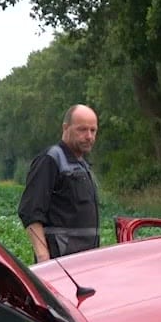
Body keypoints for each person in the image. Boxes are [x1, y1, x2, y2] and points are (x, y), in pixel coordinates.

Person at [19, 105, 101, 262]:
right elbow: (30, 211)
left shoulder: (82, 164)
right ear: (65, 128)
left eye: (93, 130)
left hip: (86, 259)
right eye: (82, 130)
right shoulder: (50, 160)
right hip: (61, 261)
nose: (89, 136)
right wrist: (43, 257)